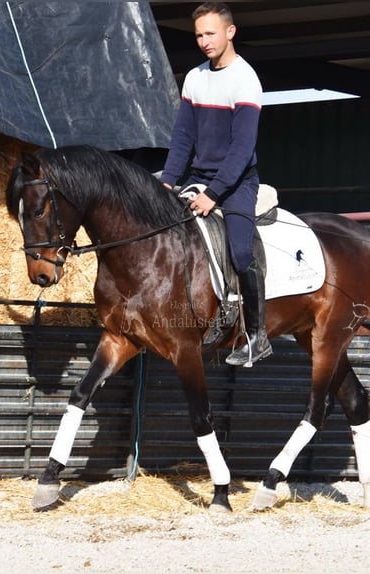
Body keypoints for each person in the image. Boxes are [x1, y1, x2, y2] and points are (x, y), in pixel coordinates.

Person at [160, 2, 271, 367]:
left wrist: (214, 194)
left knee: (240, 251)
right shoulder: (194, 77)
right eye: (198, 35)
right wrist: (168, 182)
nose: (204, 41)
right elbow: (182, 138)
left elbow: (242, 149)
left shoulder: (245, 79)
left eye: (210, 33)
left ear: (230, 32)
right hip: (196, 177)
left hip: (236, 182)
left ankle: (257, 336)